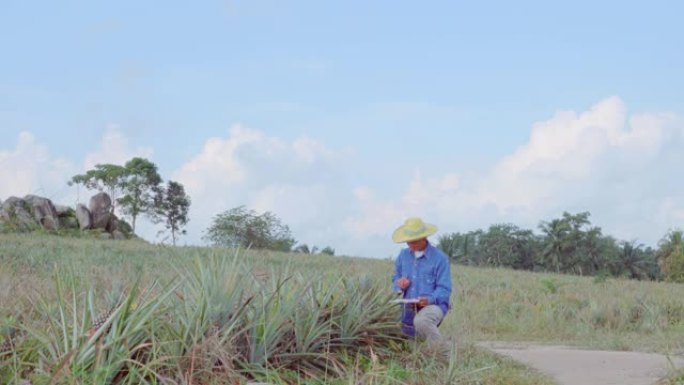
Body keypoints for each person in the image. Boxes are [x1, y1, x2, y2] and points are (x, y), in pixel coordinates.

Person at [392, 217, 452, 351]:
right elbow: (395, 279)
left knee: (422, 321)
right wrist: (399, 285)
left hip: (434, 305)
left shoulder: (440, 258)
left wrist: (429, 299)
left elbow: (444, 288)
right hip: (408, 306)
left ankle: (441, 353)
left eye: (414, 241)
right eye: (408, 241)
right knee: (391, 325)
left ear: (424, 238)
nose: (410, 245)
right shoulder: (403, 256)